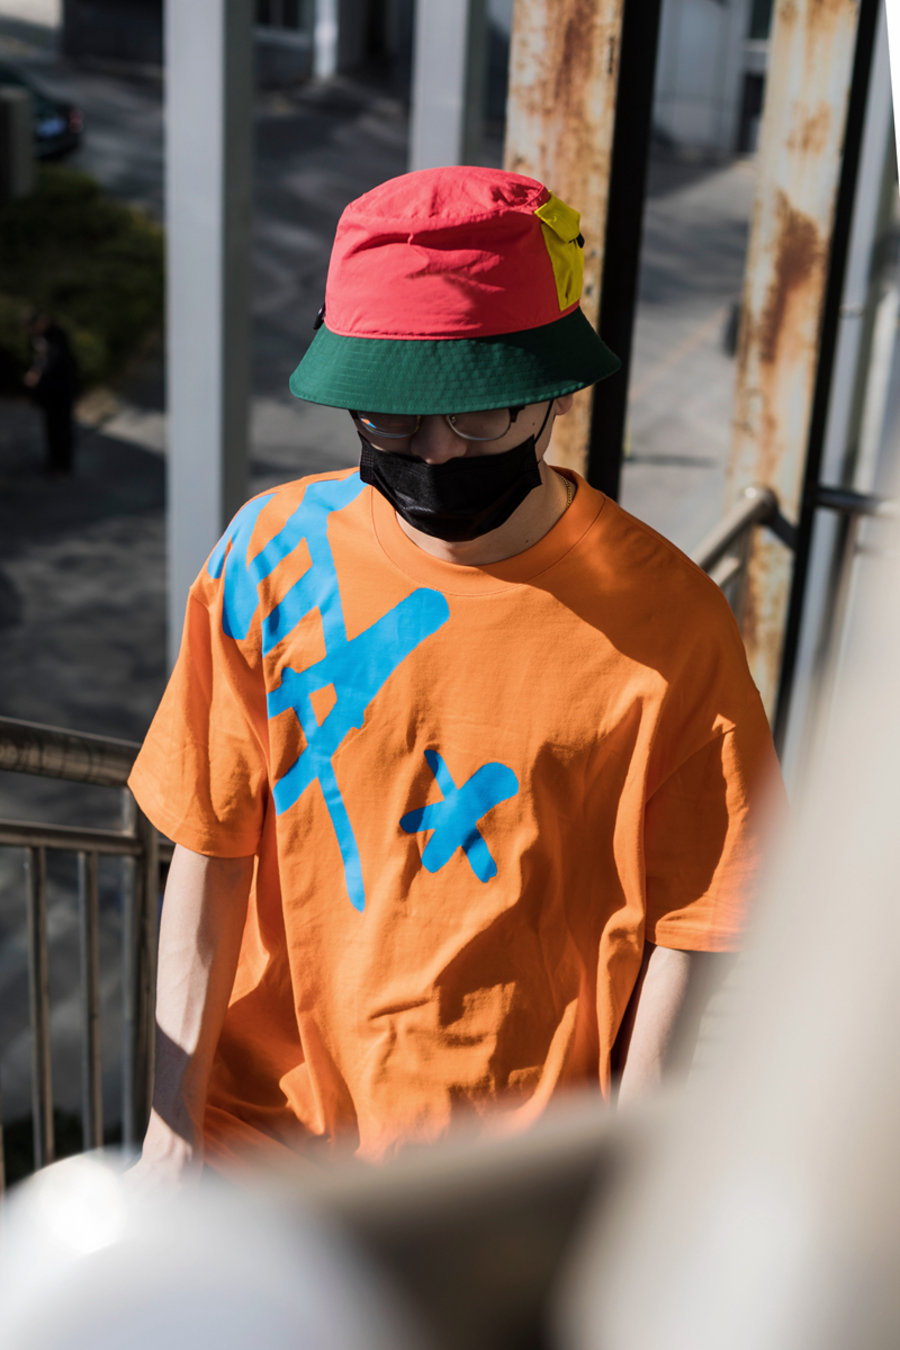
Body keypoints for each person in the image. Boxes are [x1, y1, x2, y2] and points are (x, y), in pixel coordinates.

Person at [128, 166, 783, 1180]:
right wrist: (170, 1141)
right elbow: (209, 846)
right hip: (259, 1145)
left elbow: (698, 916)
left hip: (498, 1177)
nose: (434, 453)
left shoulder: (671, 625)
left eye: (478, 416)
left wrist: (627, 1168)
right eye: (390, 419)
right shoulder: (267, 557)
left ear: (554, 389)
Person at [23, 309, 79, 477]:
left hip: (62, 391)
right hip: (50, 393)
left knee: (62, 428)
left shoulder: (56, 335)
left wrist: (37, 374)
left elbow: (53, 360)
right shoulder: (38, 338)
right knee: (52, 428)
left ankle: (63, 465)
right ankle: (54, 461)